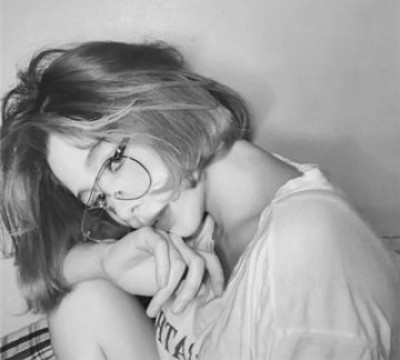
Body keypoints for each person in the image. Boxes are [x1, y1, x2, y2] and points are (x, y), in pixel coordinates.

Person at [1, 40, 400, 360]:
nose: (122, 209)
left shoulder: (306, 256)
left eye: (113, 162)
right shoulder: (192, 206)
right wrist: (107, 262)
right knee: (82, 302)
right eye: (100, 198)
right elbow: (51, 272)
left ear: (163, 102)